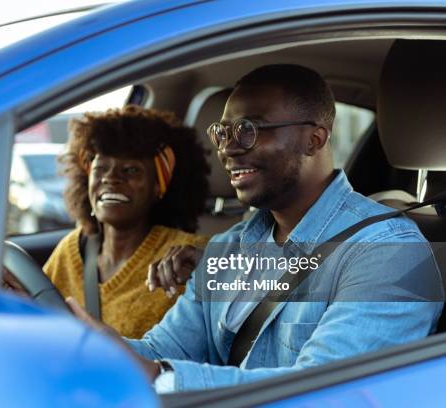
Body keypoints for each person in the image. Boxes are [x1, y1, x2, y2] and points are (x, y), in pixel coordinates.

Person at [66, 64, 443, 391]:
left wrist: (154, 375)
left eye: (249, 129)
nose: (228, 148)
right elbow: (166, 353)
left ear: (315, 139)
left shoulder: (388, 254)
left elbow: (324, 393)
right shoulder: (230, 246)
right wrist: (81, 340)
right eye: (222, 132)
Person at [5, 105, 211, 339]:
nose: (111, 178)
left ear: (159, 186)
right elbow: (44, 319)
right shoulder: (71, 250)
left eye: (131, 170)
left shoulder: (188, 257)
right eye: (101, 167)